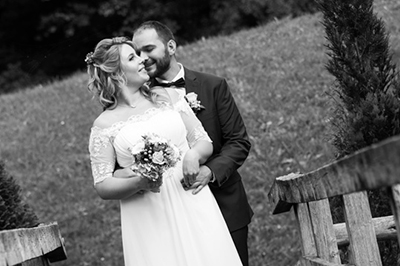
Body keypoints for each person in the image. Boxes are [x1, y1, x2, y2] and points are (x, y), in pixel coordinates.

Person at [86, 37, 243, 266]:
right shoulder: (103, 125)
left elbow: (203, 141)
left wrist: (193, 155)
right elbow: (102, 185)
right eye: (132, 57)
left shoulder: (168, 97)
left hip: (191, 198)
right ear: (115, 73)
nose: (142, 60)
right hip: (148, 214)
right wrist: (139, 182)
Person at [132, 21, 253, 266]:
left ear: (171, 46)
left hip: (224, 205)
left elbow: (238, 142)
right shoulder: (139, 101)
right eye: (137, 53)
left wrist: (209, 171)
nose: (143, 58)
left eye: (148, 49)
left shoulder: (213, 85)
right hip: (173, 215)